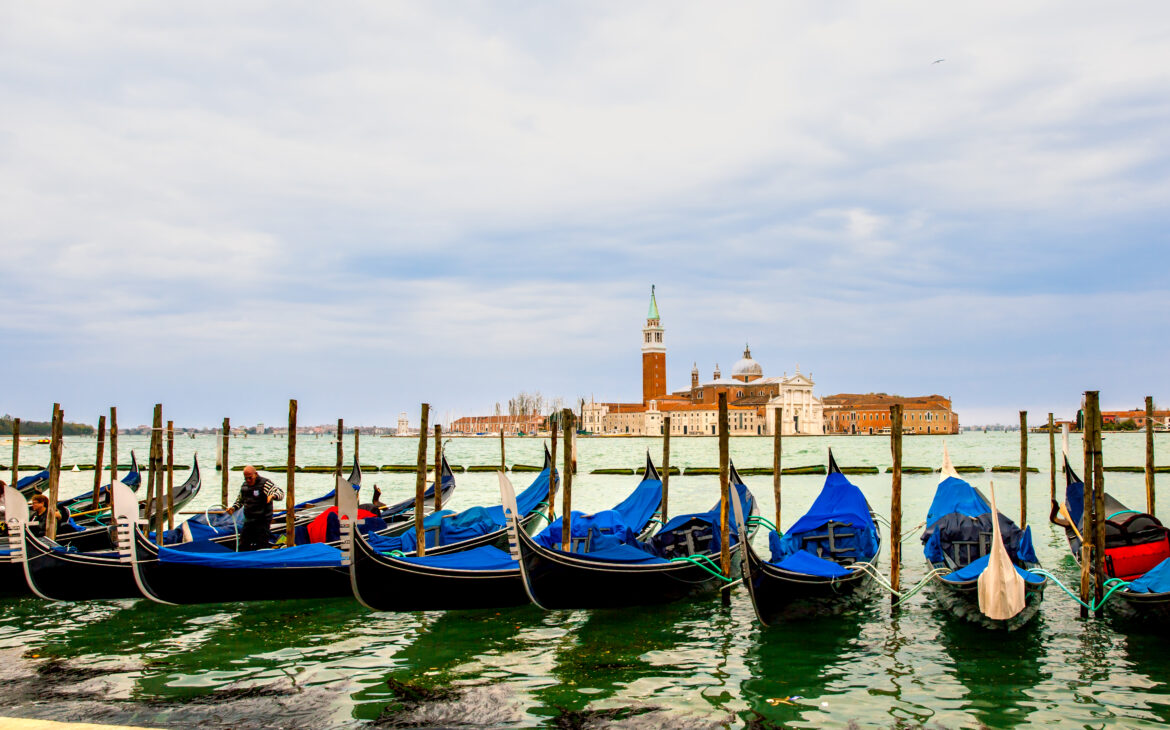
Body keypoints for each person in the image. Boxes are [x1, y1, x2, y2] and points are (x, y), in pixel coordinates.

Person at [226, 465, 284, 551]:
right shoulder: (245, 486)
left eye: (250, 478)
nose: (248, 480)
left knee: (261, 545)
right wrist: (233, 508)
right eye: (246, 478)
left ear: (255, 474)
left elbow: (280, 493)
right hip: (249, 521)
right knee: (243, 545)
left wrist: (273, 496)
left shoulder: (265, 483)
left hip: (262, 521)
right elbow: (239, 501)